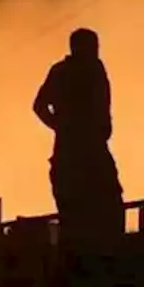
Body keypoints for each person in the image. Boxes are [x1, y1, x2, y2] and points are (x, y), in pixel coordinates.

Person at [33, 28, 125, 247]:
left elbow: (40, 106)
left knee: (99, 209)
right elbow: (39, 105)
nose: (96, 51)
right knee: (96, 209)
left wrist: (60, 126)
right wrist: (61, 126)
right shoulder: (71, 71)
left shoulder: (86, 70)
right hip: (80, 154)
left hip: (85, 151)